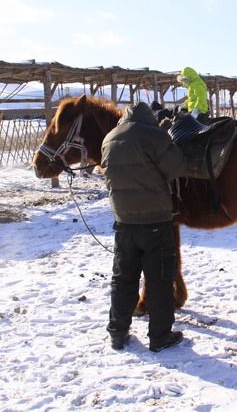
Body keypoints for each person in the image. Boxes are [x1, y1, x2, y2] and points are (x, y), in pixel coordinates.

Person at [100, 101, 187, 352]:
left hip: (124, 223)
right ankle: (160, 336)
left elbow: (107, 176)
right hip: (155, 222)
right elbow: (176, 166)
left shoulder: (110, 138)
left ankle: (117, 332)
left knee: (123, 279)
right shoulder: (154, 135)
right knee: (159, 280)